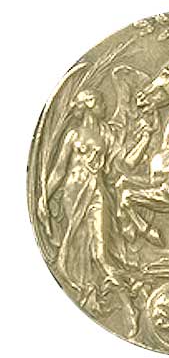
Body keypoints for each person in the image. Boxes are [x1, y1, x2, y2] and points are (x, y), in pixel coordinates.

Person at [38, 89, 117, 300]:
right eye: (101, 103)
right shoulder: (73, 135)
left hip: (97, 189)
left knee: (100, 242)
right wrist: (45, 196)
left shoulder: (106, 133)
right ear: (90, 105)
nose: (105, 106)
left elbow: (120, 165)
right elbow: (59, 170)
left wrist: (145, 136)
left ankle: (107, 273)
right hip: (74, 191)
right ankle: (84, 284)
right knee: (76, 236)